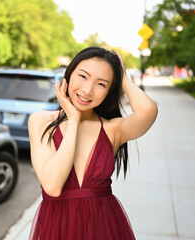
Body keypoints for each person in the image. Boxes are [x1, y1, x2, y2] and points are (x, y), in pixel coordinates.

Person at [28, 47, 158, 240]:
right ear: (69, 74)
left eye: (101, 84)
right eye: (83, 76)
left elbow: (148, 111)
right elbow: (53, 186)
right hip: (58, 228)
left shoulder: (113, 129)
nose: (88, 90)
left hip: (104, 226)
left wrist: (122, 76)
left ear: (110, 90)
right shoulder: (41, 121)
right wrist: (73, 119)